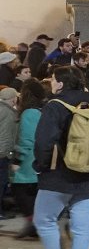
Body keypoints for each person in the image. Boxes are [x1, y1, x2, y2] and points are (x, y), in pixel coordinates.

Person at [30, 66, 89, 249]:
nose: (51, 83)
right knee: (82, 225)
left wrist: (40, 167)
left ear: (60, 83)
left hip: (60, 174)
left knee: (44, 220)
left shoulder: (55, 106)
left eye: (52, 79)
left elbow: (44, 141)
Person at [11, 80, 46, 239]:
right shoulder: (41, 110)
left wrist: (17, 161)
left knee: (20, 192)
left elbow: (26, 140)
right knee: (33, 194)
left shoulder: (29, 113)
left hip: (28, 162)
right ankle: (33, 225)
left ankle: (34, 224)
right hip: (38, 160)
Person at [0, 87, 17, 218]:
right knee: (2, 182)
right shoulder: (8, 113)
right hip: (1, 154)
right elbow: (6, 136)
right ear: (14, 99)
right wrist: (7, 153)